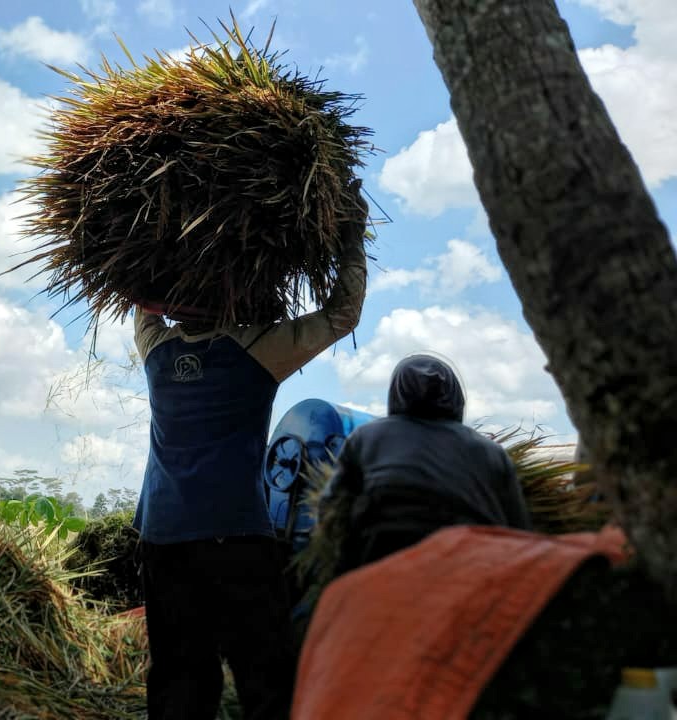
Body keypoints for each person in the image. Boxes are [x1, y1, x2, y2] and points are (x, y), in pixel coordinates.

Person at [133, 184, 369, 719]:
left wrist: (148, 243)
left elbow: (139, 304)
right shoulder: (257, 349)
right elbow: (341, 315)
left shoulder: (157, 351)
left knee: (177, 674)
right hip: (235, 535)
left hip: (163, 537)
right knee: (266, 674)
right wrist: (351, 237)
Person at [322, 353, 533, 576]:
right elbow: (519, 528)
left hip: (381, 565)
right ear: (456, 396)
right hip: (473, 569)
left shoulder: (365, 437)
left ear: (397, 392)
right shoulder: (491, 451)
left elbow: (331, 507)